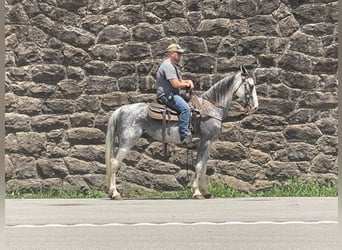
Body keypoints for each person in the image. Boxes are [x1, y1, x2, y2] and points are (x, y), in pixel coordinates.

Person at [156, 43, 195, 144]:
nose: (180, 56)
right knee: (185, 109)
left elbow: (180, 81)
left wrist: (188, 81)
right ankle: (184, 136)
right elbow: (175, 84)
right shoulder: (167, 66)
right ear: (172, 53)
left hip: (172, 94)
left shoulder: (173, 67)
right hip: (167, 95)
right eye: (179, 53)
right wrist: (186, 85)